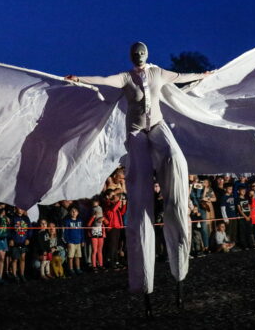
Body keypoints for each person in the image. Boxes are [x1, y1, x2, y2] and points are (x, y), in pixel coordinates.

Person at [66, 42, 212, 310]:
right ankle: (145, 281)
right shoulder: (125, 77)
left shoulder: (158, 73)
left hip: (156, 127)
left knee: (175, 158)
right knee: (140, 189)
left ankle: (177, 219)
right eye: (136, 56)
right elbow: (103, 81)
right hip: (135, 134)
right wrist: (80, 79)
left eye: (141, 55)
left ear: (146, 56)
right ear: (132, 58)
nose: (139, 58)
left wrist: (202, 76)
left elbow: (180, 78)